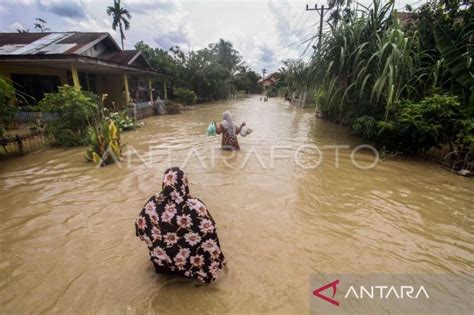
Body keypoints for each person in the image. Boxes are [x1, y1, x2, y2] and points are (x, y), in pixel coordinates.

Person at [135, 167, 226, 285]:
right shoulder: (195, 206)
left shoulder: (152, 203)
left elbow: (140, 226)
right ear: (184, 183)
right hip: (190, 266)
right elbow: (210, 231)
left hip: (163, 266)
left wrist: (157, 243)